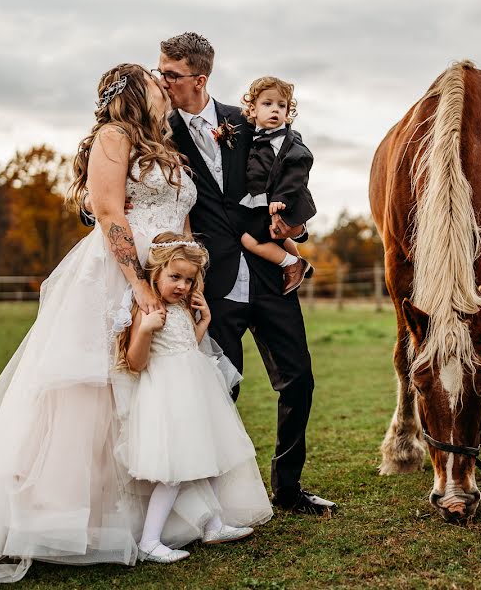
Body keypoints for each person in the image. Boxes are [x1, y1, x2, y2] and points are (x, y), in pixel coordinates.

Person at [0, 63, 223, 582]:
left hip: (171, 276)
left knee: (163, 391)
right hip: (117, 277)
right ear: (132, 91)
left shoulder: (165, 147)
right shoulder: (113, 135)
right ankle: (75, 520)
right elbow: (108, 213)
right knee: (96, 392)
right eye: (152, 77)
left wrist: (189, 281)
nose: (162, 84)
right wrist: (139, 284)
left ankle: (166, 518)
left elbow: (184, 224)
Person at [153, 32, 335, 515]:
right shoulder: (159, 129)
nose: (161, 79)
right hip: (212, 282)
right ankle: (211, 497)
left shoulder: (245, 118)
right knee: (219, 388)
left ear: (199, 78)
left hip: (269, 272)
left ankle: (290, 490)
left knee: (299, 380)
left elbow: (292, 167)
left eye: (169, 73)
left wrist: (297, 223)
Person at [115, 232, 271, 563]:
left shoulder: (182, 308)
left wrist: (205, 322)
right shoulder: (148, 311)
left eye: (188, 279)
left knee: (210, 462)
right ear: (154, 272)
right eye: (175, 277)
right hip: (169, 398)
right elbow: (135, 362)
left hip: (198, 391)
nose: (183, 286)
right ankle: (150, 540)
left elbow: (188, 346)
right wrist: (144, 330)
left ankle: (214, 525)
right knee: (175, 472)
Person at [237, 76, 316, 294]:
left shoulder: (287, 139)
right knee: (275, 235)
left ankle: (291, 264)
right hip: (261, 201)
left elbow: (297, 169)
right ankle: (299, 260)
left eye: (282, 106)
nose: (275, 110)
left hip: (283, 201)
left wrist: (281, 198)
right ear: (252, 110)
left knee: (248, 239)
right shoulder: (253, 137)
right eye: (267, 104)